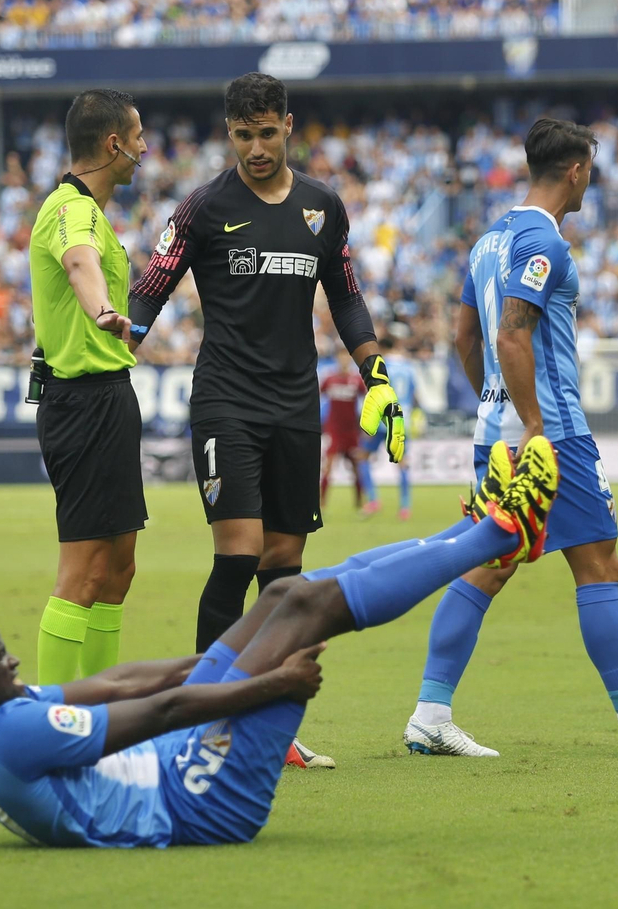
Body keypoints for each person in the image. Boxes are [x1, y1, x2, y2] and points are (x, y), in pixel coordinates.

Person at [0, 439, 558, 848]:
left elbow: (115, 684)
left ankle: (473, 531)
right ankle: (501, 533)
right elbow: (161, 711)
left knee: (282, 596)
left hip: (174, 762)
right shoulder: (12, 733)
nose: (12, 660)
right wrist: (270, 681)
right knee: (304, 609)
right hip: (198, 802)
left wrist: (216, 658)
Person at [403, 118, 618, 759]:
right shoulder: (545, 242)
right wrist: (535, 424)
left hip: (493, 433)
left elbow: (466, 337)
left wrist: (496, 405)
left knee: (489, 564)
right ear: (576, 171)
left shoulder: (488, 240)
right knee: (599, 565)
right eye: (589, 171)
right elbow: (512, 332)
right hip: (553, 431)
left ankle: (430, 714)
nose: (589, 182)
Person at [128, 73, 404, 769]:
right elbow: (150, 291)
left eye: (267, 133)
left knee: (284, 572)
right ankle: (203, 719)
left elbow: (346, 297)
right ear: (230, 133)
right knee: (239, 554)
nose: (256, 148)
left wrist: (375, 373)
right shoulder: (202, 207)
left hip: (294, 405)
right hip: (225, 401)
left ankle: (269, 728)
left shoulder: (322, 206)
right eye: (243, 135)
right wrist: (113, 347)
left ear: (288, 126)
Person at [27, 90, 148, 687]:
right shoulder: (70, 209)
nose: (144, 148)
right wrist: (103, 311)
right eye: (138, 137)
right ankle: (50, 717)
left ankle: (104, 709)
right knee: (83, 572)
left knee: (119, 570)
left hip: (109, 394)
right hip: (82, 402)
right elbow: (80, 265)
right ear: (113, 144)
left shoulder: (93, 212)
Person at [359, 335, 418, 520]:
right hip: (402, 419)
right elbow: (414, 394)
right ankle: (405, 507)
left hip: (382, 419)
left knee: (363, 458)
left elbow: (375, 393)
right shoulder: (408, 367)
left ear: (381, 348)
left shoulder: (381, 367)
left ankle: (373, 500)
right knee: (402, 463)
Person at [318, 358, 373, 514]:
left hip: (351, 431)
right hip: (334, 430)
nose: (343, 360)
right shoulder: (330, 379)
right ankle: (321, 504)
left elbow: (368, 398)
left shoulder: (356, 380)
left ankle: (360, 503)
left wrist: (367, 426)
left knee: (356, 469)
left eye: (346, 357)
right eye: (341, 356)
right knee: (328, 467)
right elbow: (317, 395)